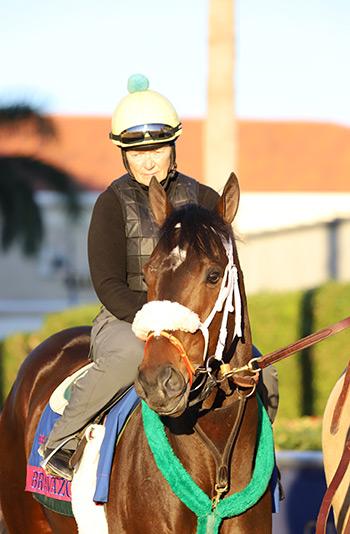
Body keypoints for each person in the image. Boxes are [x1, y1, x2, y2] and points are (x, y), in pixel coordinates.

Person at [41, 74, 278, 480]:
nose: (148, 160)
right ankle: (62, 438)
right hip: (124, 320)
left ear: (173, 147)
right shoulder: (110, 204)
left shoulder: (205, 200)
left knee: (263, 372)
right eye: (137, 152)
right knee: (131, 357)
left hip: (194, 324)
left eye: (156, 149)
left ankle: (257, 465)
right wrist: (154, 318)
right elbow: (107, 283)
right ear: (123, 155)